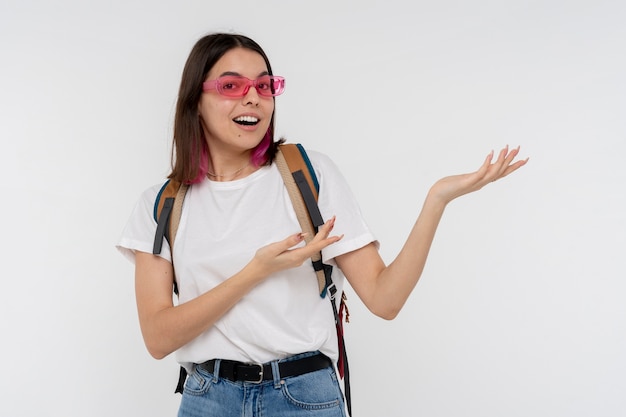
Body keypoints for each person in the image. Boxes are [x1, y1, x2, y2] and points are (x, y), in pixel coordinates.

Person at [117, 32, 527, 417]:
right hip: (208, 398)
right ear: (195, 101)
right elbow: (158, 337)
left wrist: (436, 199)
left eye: (264, 86)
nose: (253, 99)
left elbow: (385, 300)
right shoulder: (163, 204)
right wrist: (256, 272)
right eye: (231, 86)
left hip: (303, 397)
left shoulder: (308, 176)